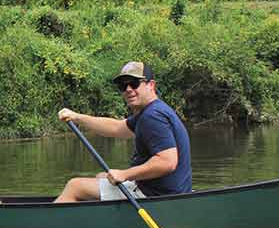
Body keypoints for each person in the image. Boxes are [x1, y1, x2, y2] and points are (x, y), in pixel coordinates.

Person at [54, 61, 191, 203]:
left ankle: (47, 224)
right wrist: (77, 117)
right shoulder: (151, 111)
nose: (129, 89)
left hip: (157, 196)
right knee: (101, 176)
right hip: (165, 192)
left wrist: (125, 174)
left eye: (134, 83)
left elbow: (167, 162)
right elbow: (116, 128)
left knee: (75, 186)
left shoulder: (152, 116)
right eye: (123, 86)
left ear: (151, 85)